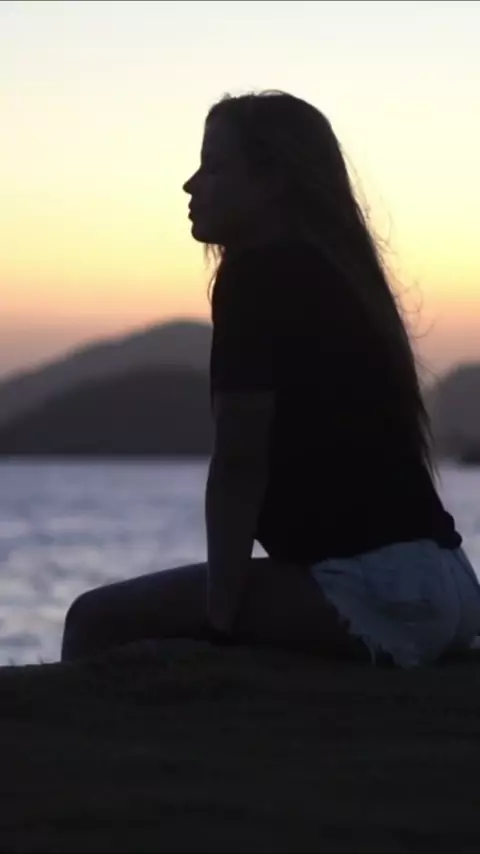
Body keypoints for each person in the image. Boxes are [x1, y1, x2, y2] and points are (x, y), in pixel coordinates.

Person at [61, 90, 480, 668]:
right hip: (450, 581)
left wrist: (220, 622)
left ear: (273, 183)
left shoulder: (256, 278)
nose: (190, 184)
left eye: (213, 167)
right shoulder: (342, 277)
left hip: (378, 590)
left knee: (94, 620)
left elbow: (239, 462)